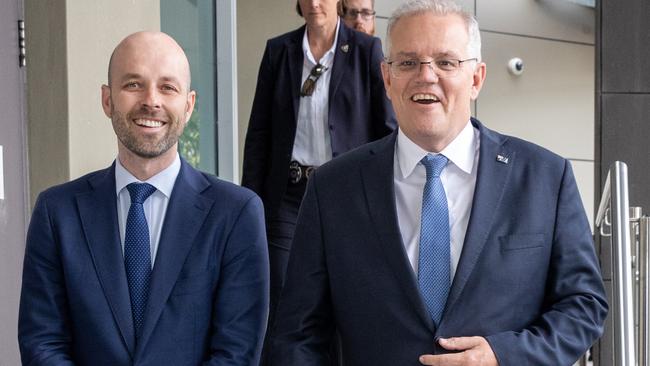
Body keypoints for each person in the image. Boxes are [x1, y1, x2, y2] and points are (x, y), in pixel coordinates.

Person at [267, 0, 608, 365]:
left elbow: (583, 305)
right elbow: (298, 333)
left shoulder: (545, 178)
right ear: (387, 77)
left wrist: (504, 355)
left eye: (446, 62)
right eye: (408, 62)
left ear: (476, 78)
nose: (426, 76)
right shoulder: (333, 188)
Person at [18, 31, 269, 366]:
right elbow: (42, 343)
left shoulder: (237, 214)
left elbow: (237, 353)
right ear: (107, 100)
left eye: (168, 87)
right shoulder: (56, 213)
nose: (151, 101)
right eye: (133, 84)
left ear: (189, 104)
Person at [241, 0, 395, 329]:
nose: (314, 3)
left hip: (347, 193)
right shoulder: (278, 51)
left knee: (347, 289)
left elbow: (388, 130)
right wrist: (250, 204)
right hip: (289, 195)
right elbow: (259, 133)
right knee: (282, 290)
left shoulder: (366, 50)